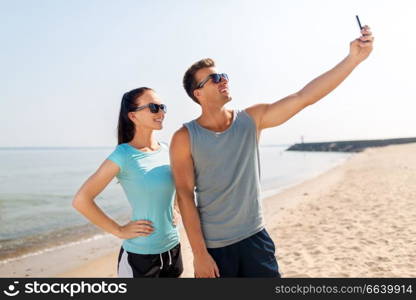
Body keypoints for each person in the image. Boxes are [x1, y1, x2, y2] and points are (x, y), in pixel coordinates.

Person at [170, 26, 374, 277]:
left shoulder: (251, 119)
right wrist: (200, 254)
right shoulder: (184, 138)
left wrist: (353, 59)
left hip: (256, 240)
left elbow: (303, 97)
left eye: (223, 75)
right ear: (198, 93)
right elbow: (185, 196)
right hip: (215, 250)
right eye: (214, 78)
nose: (223, 79)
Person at [73, 87, 183, 277]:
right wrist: (119, 230)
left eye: (162, 107)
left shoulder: (166, 150)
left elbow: (177, 185)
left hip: (173, 249)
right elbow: (81, 200)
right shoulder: (123, 155)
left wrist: (175, 207)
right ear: (133, 116)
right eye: (154, 107)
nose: (162, 112)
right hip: (140, 258)